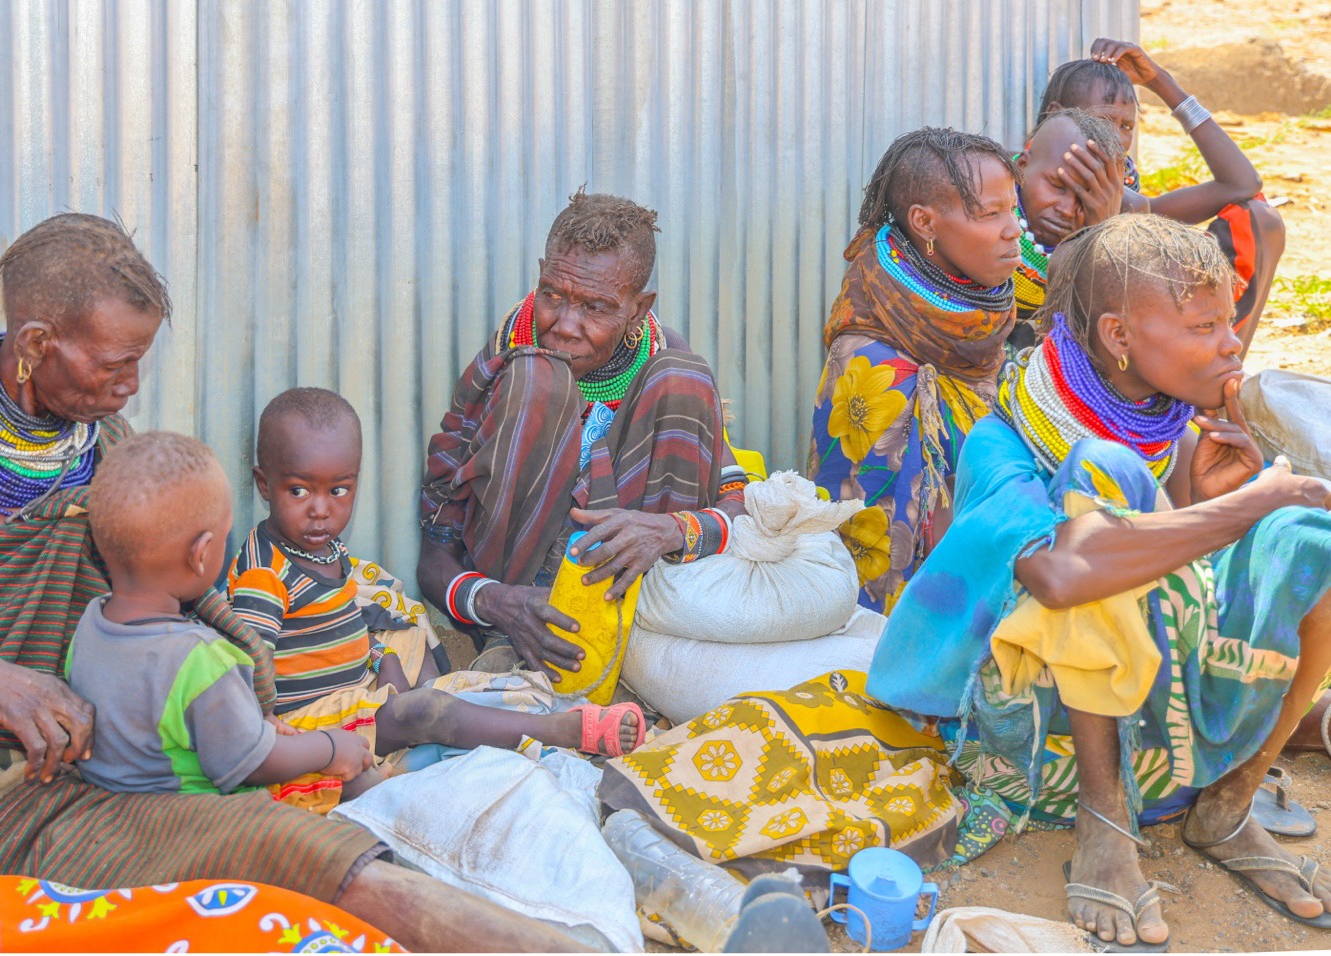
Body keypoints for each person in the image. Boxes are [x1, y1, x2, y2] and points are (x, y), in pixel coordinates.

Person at [0, 213, 588, 952]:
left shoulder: (100, 449)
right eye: (114, 365)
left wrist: (257, 718)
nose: (130, 388)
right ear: (38, 345)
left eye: (141, 362)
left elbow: (170, 605)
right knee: (271, 853)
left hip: (91, 774)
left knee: (302, 848)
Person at [867, 215, 1331, 949]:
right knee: (1102, 484)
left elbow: (1177, 588)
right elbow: (1062, 573)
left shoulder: (1170, 431)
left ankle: (1227, 806)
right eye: (1205, 325)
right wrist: (1252, 501)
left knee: (1313, 540)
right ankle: (1103, 822)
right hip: (1031, 743)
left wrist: (1213, 504)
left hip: (1161, 736)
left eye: (1227, 320)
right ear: (1119, 338)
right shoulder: (1004, 443)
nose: (1232, 342)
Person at [228, 389, 646, 812]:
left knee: (410, 648)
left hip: (355, 694)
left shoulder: (322, 549)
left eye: (339, 490)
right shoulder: (264, 578)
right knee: (426, 710)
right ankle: (560, 731)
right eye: (299, 492)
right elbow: (248, 677)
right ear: (264, 484)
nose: (321, 510)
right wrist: (292, 744)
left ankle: (429, 744)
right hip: (311, 727)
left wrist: (375, 657)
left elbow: (332, 625)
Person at [418, 189, 747, 676]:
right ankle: (514, 642)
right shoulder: (509, 356)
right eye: (552, 294)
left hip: (632, 599)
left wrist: (669, 531)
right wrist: (498, 603)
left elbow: (736, 503)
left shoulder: (665, 361)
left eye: (595, 307)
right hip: (514, 600)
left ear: (637, 309)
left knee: (684, 375)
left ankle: (635, 641)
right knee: (538, 379)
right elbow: (435, 552)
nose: (565, 326)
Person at [69, 431, 382, 800]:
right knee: (364, 783)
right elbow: (254, 763)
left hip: (114, 797)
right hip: (189, 811)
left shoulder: (91, 622)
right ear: (201, 555)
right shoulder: (203, 660)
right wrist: (330, 747)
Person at [808, 127, 1021, 614]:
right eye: (991, 214)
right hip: (914, 616)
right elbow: (889, 537)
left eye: (1014, 208)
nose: (1015, 230)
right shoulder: (873, 363)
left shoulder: (978, 311)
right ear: (925, 223)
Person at [1039, 40, 1285, 353]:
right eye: (1104, 120)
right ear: (1056, 116)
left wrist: (1160, 82)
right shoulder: (1018, 186)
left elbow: (1243, 184)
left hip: (1146, 346)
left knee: (1261, 221)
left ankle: (1215, 379)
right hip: (1061, 357)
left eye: (1126, 125)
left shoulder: (1130, 201)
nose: (1117, 137)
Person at [1010, 109, 1128, 348]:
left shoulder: (1123, 222)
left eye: (1086, 199)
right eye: (1057, 185)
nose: (1066, 209)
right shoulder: (980, 201)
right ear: (1022, 166)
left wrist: (1101, 231)